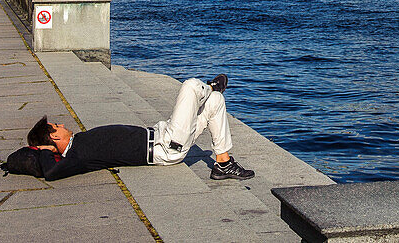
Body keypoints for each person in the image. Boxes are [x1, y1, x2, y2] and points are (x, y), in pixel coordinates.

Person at [28, 74, 254, 182]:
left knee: (215, 103)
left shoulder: (79, 143)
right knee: (191, 86)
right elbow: (51, 172)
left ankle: (223, 164)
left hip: (162, 133)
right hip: (167, 147)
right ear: (54, 137)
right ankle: (213, 87)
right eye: (57, 126)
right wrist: (46, 150)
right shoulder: (77, 155)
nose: (63, 125)